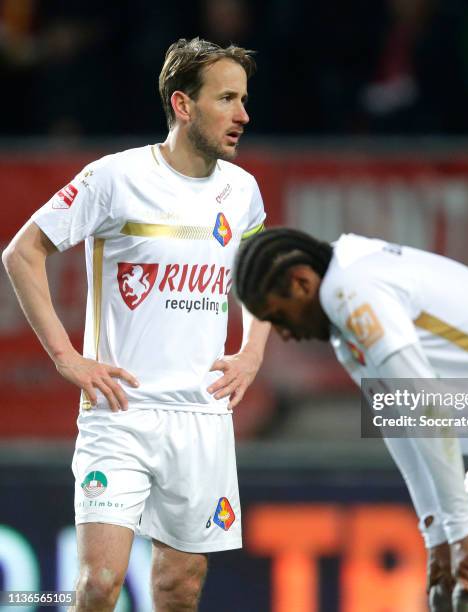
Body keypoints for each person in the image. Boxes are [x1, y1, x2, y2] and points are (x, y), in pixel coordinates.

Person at [2, 37, 270, 611]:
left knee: (180, 586)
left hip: (201, 416)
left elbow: (259, 274)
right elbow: (21, 252)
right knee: (100, 582)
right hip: (119, 413)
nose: (243, 115)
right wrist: (65, 357)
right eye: (227, 99)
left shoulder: (241, 192)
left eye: (244, 99)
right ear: (183, 104)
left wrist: (251, 351)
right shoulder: (114, 178)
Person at [233, 227, 468, 612]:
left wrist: (461, 533)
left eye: (277, 316)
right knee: (444, 597)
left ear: (301, 282)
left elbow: (427, 410)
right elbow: (400, 422)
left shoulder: (353, 291)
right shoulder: (343, 307)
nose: (282, 333)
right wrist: (437, 534)